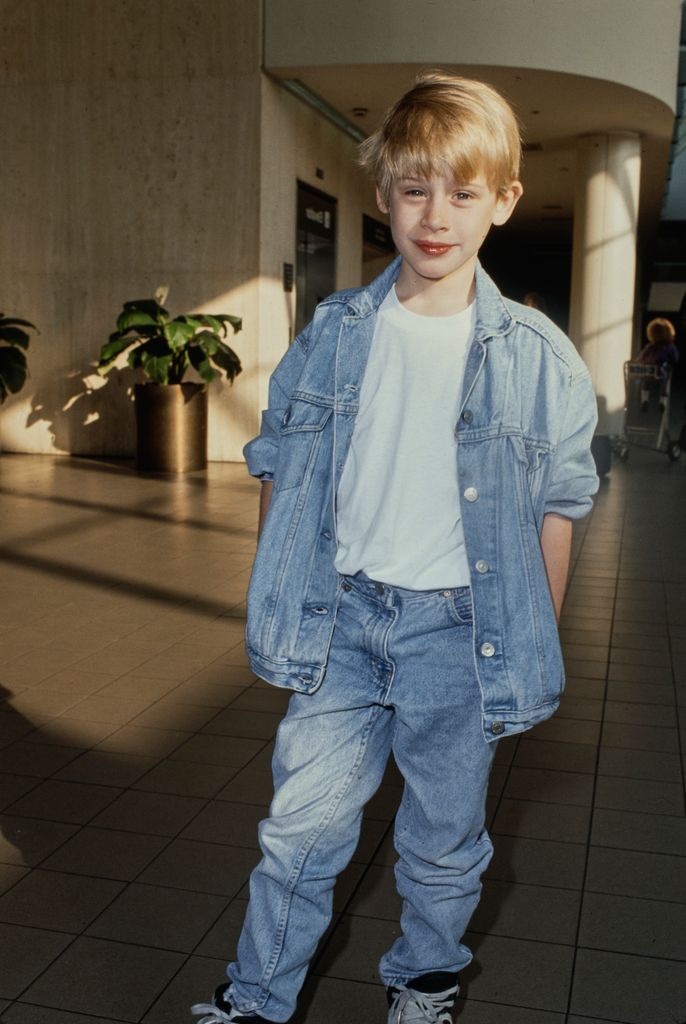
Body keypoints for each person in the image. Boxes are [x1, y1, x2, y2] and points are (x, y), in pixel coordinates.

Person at [191, 70, 599, 1024]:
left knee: (444, 843)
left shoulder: (537, 356)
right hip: (343, 620)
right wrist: (282, 596)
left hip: (459, 635)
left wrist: (520, 643)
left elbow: (560, 506)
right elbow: (281, 467)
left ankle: (424, 983)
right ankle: (257, 999)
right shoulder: (336, 332)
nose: (435, 215)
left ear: (502, 201)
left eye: (462, 192)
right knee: (298, 830)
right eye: (415, 189)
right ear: (382, 195)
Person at [636, 317, 679, 410]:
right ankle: (662, 402)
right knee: (664, 386)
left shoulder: (650, 346)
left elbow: (641, 358)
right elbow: (675, 358)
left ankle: (644, 401)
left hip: (649, 370)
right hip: (663, 371)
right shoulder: (670, 346)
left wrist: (640, 362)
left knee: (646, 383)